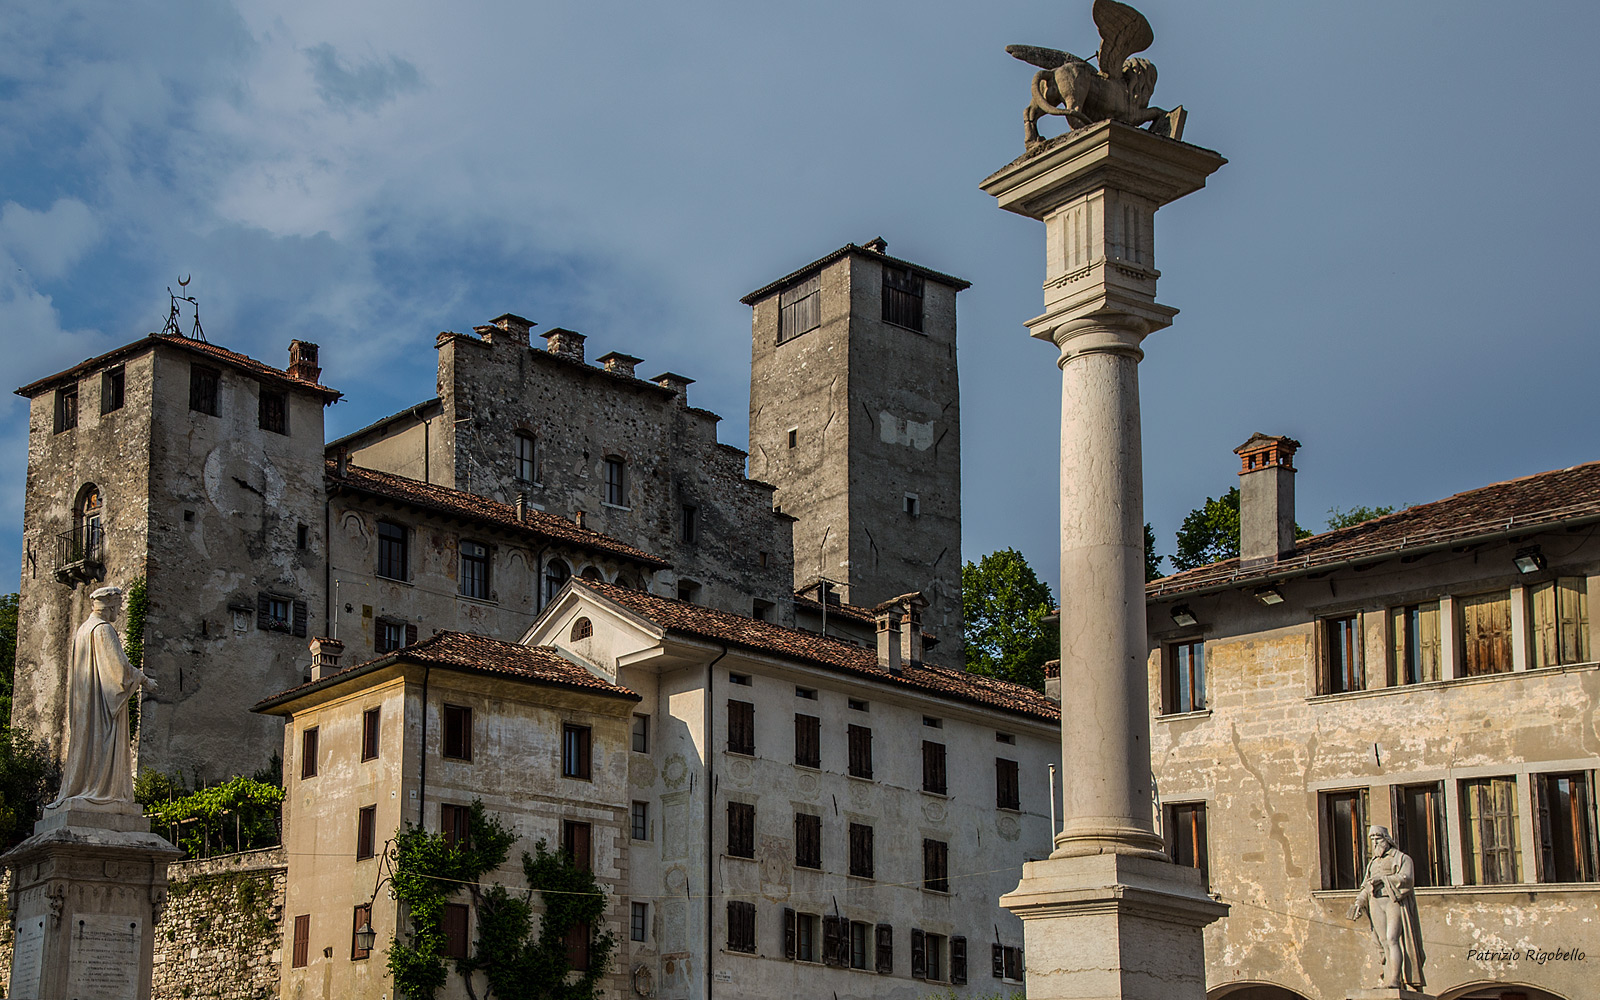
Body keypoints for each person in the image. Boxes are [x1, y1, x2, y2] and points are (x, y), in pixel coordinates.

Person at [47, 585, 157, 812]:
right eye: (118, 606)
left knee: (89, 746)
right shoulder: (104, 629)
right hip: (103, 708)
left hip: (87, 705)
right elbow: (119, 669)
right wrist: (144, 679)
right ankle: (104, 790)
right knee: (103, 746)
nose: (119, 611)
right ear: (110, 606)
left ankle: (84, 786)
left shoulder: (83, 630)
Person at [1346, 824, 1426, 990]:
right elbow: (1365, 887)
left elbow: (1407, 879)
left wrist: (1383, 879)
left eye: (1378, 838)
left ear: (1387, 839)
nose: (1375, 842)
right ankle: (1389, 977)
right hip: (1376, 902)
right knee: (1383, 942)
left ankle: (1395, 980)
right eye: (1372, 839)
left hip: (1393, 901)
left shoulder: (1401, 858)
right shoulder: (1373, 863)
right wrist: (1358, 903)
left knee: (1392, 939)